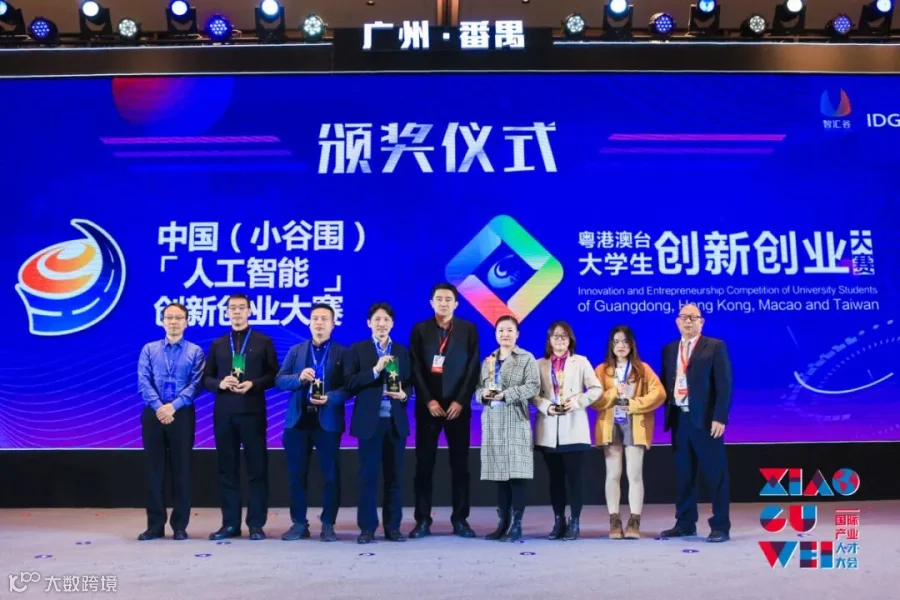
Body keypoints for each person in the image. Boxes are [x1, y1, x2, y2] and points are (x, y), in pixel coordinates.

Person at [203, 293, 279, 541]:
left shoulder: (263, 341)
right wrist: (220, 383)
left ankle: (256, 524)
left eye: (241, 308)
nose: (236, 312)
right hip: (224, 414)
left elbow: (274, 375)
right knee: (227, 470)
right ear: (226, 312)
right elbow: (206, 378)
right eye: (232, 308)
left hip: (253, 412)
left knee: (257, 469)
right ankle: (230, 524)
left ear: (250, 311)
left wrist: (254, 384)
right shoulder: (217, 344)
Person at [408, 283, 480, 538]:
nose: (443, 303)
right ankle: (422, 520)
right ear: (431, 303)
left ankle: (460, 519)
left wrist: (461, 401)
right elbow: (415, 368)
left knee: (460, 466)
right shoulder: (420, 329)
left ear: (456, 304)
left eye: (448, 299)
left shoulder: (469, 329)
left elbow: (473, 367)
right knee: (424, 465)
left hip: (458, 408)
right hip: (429, 408)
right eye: (439, 299)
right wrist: (428, 400)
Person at [660, 303, 733, 543]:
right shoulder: (670, 349)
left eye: (693, 317)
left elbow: (724, 385)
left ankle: (720, 526)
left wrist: (720, 417)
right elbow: (665, 383)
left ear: (702, 322)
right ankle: (685, 524)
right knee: (684, 474)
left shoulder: (715, 346)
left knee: (716, 475)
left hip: (706, 421)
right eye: (684, 317)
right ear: (677, 322)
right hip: (679, 419)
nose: (688, 321)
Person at [275, 303, 347, 542]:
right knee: (296, 475)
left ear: (333, 324)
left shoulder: (341, 352)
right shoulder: (296, 351)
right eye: (315, 318)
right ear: (309, 323)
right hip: (297, 422)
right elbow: (279, 381)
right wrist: (299, 378)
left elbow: (348, 388)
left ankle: (328, 524)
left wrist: (330, 398)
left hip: (327, 422)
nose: (319, 323)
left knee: (331, 476)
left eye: (324, 319)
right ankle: (299, 523)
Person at [344, 302, 412, 544]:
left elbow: (410, 383)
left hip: (394, 422)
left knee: (394, 478)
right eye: (377, 320)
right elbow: (350, 383)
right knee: (368, 478)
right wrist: (375, 369)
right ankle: (367, 528)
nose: (381, 324)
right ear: (368, 323)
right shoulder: (358, 349)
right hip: (369, 422)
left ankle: (393, 528)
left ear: (392, 324)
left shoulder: (402, 351)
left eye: (386, 320)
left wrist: (404, 395)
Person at [136, 302, 205, 541]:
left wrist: (173, 406)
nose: (173, 322)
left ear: (187, 322)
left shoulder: (195, 351)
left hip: (182, 413)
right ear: (162, 321)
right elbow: (143, 381)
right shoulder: (149, 349)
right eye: (169, 318)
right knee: (154, 471)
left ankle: (180, 526)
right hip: (153, 413)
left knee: (181, 470)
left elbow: (196, 384)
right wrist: (160, 407)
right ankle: (154, 526)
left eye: (178, 318)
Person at [592, 325, 666, 540]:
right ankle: (614, 520)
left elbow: (659, 394)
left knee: (634, 474)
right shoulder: (602, 370)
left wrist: (634, 404)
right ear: (611, 345)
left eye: (625, 341)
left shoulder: (642, 369)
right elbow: (595, 400)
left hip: (634, 424)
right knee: (613, 474)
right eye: (616, 342)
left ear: (632, 344)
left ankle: (634, 521)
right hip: (610, 425)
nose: (621, 346)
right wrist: (614, 393)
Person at [531, 321, 601, 541]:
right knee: (555, 480)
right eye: (555, 336)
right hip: (548, 429)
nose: (559, 340)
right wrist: (546, 406)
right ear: (549, 340)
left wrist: (577, 402)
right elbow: (532, 394)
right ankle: (558, 520)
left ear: (570, 339)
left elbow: (596, 389)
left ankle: (575, 522)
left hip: (574, 429)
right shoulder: (539, 364)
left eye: (563, 336)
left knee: (574, 480)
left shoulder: (581, 362)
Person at [475, 315, 540, 542]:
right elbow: (478, 388)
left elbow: (533, 386)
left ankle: (516, 524)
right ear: (495, 334)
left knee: (517, 475)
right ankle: (502, 523)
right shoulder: (488, 360)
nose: (505, 334)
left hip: (515, 419)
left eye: (510, 330)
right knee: (499, 476)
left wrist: (507, 394)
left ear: (517, 334)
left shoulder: (526, 358)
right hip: (493, 421)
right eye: (501, 330)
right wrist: (482, 394)